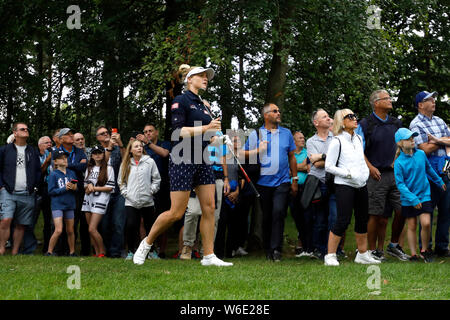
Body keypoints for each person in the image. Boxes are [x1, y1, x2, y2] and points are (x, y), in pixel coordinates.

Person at [132, 65, 233, 267]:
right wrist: (207, 128)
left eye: (207, 76)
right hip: (183, 158)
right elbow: (178, 133)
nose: (205, 79)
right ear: (190, 79)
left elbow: (205, 136)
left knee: (209, 208)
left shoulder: (204, 106)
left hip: (202, 158)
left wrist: (219, 140)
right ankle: (146, 244)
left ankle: (208, 256)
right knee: (176, 212)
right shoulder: (181, 100)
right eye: (201, 76)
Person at [356, 89, 407, 261]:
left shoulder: (396, 123)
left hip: (395, 174)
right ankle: (372, 251)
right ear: (376, 103)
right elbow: (358, 149)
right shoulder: (365, 124)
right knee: (375, 214)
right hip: (375, 174)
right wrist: (370, 167)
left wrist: (397, 157)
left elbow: (403, 143)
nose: (390, 100)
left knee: (403, 209)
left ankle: (393, 245)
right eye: (386, 98)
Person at [323, 109, 380, 266]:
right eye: (350, 117)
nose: (355, 118)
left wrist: (362, 174)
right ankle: (330, 255)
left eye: (355, 115)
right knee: (343, 220)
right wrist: (348, 174)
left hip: (361, 184)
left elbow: (360, 160)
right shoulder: (337, 141)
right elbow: (329, 166)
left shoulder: (359, 139)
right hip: (344, 185)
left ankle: (362, 254)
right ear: (341, 121)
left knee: (362, 219)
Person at [243, 103, 298, 262]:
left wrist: (294, 179)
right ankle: (268, 248)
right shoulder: (256, 135)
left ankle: (276, 250)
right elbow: (243, 155)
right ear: (266, 115)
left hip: (282, 181)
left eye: (279, 111)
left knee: (279, 212)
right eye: (275, 111)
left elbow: (292, 157)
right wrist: (257, 151)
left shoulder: (287, 133)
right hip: (262, 182)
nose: (278, 113)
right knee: (267, 216)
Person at [393, 128, 446, 262]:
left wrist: (439, 181)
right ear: (400, 143)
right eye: (409, 139)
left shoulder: (421, 154)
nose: (412, 140)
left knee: (426, 223)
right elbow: (400, 185)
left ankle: (424, 250)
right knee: (411, 226)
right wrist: (413, 198)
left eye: (413, 138)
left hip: (424, 195)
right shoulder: (399, 163)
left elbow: (429, 169)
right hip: (409, 198)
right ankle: (413, 254)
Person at [409, 91, 450, 257]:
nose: (434, 101)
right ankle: (426, 247)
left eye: (434, 99)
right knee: (427, 209)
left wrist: (435, 140)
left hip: (445, 170)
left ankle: (442, 247)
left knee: (446, 210)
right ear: (420, 105)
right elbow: (423, 149)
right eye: (429, 100)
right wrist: (443, 141)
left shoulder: (439, 120)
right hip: (428, 173)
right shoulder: (415, 124)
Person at [0, 123, 41, 255]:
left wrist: (35, 186)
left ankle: (15, 252)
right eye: (22, 129)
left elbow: (37, 171)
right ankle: (1, 248)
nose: (26, 130)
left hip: (27, 193)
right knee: (6, 220)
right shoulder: (4, 150)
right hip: (8, 191)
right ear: (15, 133)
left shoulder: (32, 151)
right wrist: (1, 186)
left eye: (27, 129)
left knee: (21, 224)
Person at [118, 139, 161, 260]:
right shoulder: (126, 164)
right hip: (131, 202)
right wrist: (126, 193)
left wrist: (151, 191)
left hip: (148, 201)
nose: (139, 148)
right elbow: (121, 182)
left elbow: (156, 179)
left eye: (140, 146)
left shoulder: (150, 162)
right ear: (130, 150)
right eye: (136, 146)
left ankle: (152, 251)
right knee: (131, 225)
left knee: (150, 226)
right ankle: (131, 251)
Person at [137, 124, 172, 258]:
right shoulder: (142, 148)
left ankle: (162, 251)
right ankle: (146, 249)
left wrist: (149, 143)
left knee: (163, 218)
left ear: (156, 132)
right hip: (145, 186)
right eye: (145, 132)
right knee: (143, 219)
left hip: (163, 186)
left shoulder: (165, 144)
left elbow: (164, 154)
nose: (148, 133)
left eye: (150, 131)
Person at [303, 108, 333, 259]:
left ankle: (333, 250)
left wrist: (321, 156)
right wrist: (328, 157)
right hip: (318, 183)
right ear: (316, 123)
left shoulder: (336, 138)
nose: (329, 118)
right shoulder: (310, 141)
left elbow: (335, 159)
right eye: (325, 117)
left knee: (333, 217)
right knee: (320, 219)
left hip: (334, 182)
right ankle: (320, 250)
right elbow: (317, 164)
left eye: (329, 116)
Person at [56, 128, 88, 255]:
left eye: (71, 134)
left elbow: (83, 166)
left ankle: (82, 251)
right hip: (62, 190)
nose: (71, 136)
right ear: (61, 138)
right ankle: (62, 250)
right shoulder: (57, 151)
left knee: (80, 221)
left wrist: (67, 164)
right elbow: (57, 167)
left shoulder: (80, 151)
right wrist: (75, 164)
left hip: (78, 190)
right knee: (64, 221)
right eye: (68, 135)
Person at [96, 125, 127, 258]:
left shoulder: (118, 148)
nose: (106, 134)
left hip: (119, 190)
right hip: (104, 192)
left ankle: (117, 251)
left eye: (106, 132)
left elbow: (127, 160)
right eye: (102, 134)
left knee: (118, 222)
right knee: (105, 223)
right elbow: (103, 165)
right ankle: (106, 250)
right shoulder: (97, 151)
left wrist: (120, 144)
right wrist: (109, 147)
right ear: (98, 138)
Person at [20, 136, 53, 254]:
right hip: (37, 191)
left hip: (50, 191)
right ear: (39, 145)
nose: (49, 144)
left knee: (49, 221)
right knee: (31, 220)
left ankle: (47, 248)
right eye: (46, 143)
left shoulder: (54, 155)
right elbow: (37, 172)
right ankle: (27, 247)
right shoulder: (33, 156)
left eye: (50, 142)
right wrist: (47, 161)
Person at [82, 145, 115, 257]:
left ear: (103, 154)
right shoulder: (89, 168)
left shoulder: (109, 168)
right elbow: (85, 185)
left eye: (99, 153)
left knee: (92, 228)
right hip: (88, 199)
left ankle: (102, 251)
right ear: (91, 155)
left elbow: (110, 187)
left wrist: (94, 188)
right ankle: (96, 252)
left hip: (100, 199)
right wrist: (88, 188)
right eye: (95, 153)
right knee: (90, 229)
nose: (97, 155)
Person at [46, 150, 78, 256]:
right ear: (55, 162)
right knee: (59, 229)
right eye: (61, 158)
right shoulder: (53, 174)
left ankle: (72, 252)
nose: (65, 159)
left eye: (65, 157)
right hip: (57, 205)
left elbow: (76, 188)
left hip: (70, 204)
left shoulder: (71, 173)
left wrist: (74, 188)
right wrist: (64, 188)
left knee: (70, 230)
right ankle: (49, 252)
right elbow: (50, 191)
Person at [290, 131, 310, 257]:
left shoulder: (307, 152)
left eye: (303, 137)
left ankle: (305, 245)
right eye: (300, 138)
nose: (303, 140)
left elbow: (308, 167)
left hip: (306, 188)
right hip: (292, 188)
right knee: (296, 216)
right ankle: (301, 243)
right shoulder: (290, 153)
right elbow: (288, 168)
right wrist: (300, 166)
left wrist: (293, 168)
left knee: (307, 216)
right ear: (294, 141)